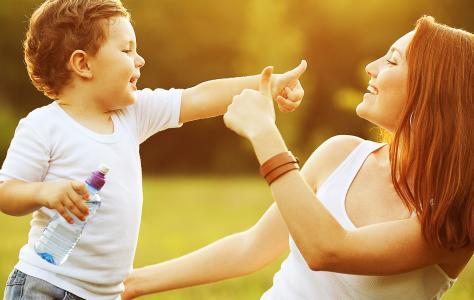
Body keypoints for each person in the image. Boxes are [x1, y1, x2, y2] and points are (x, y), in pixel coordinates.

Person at [122, 16, 474, 300]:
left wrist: (265, 134)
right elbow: (251, 248)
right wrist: (132, 283)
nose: (371, 66)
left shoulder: (452, 215)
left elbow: (327, 251)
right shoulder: (342, 155)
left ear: (433, 90)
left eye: (392, 61)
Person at [0, 0, 306, 299]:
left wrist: (270, 83)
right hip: (45, 286)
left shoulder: (132, 114)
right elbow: (6, 192)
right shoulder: (43, 126)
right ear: (83, 64)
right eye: (126, 49)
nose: (140, 60)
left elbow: (198, 98)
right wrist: (44, 193)